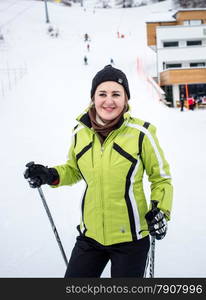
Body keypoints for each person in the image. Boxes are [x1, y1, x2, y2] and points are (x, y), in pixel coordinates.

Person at [24, 65, 173, 278]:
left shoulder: (142, 134)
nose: (109, 101)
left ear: (126, 100)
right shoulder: (80, 132)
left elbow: (162, 179)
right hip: (90, 236)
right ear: (93, 98)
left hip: (131, 239)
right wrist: (50, 174)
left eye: (116, 94)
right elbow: (74, 170)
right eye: (102, 94)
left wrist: (161, 210)